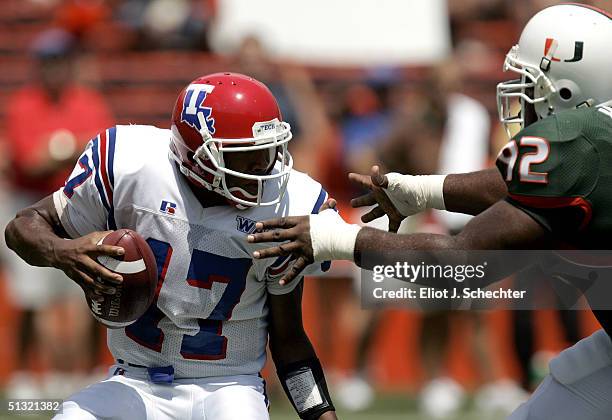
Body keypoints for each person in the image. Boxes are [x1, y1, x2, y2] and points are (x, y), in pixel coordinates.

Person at [247, 4, 612, 419]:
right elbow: (518, 181)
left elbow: (461, 265)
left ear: (566, 92)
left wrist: (337, 239)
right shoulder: (595, 141)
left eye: (530, 86)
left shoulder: (578, 143)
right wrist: (422, 191)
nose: (521, 99)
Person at [5, 72, 337, 420]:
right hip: (134, 381)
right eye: (244, 156)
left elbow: (290, 342)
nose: (262, 168)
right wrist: (63, 253)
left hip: (230, 387)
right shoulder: (130, 166)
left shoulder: (290, 205)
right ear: (198, 157)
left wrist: (321, 414)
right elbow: (21, 228)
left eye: (268, 151)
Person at [1, 28, 113, 397]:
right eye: (48, 61)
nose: (55, 68)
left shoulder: (87, 100)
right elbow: (28, 161)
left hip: (77, 205)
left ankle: (89, 371)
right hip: (29, 206)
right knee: (30, 296)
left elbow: (100, 151)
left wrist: (58, 149)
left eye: (60, 60)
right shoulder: (24, 104)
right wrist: (67, 147)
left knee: (89, 286)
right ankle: (25, 376)